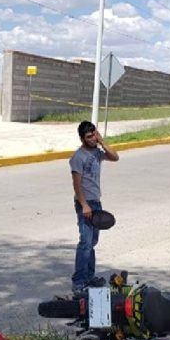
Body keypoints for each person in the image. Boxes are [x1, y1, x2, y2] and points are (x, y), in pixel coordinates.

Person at [69, 120, 119, 293]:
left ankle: (89, 277)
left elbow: (115, 157)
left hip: (96, 202)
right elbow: (76, 184)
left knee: (93, 241)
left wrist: (102, 142)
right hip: (85, 203)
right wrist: (84, 205)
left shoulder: (98, 153)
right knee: (85, 242)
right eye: (89, 137)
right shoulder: (78, 157)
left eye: (94, 135)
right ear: (82, 139)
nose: (92, 139)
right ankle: (79, 281)